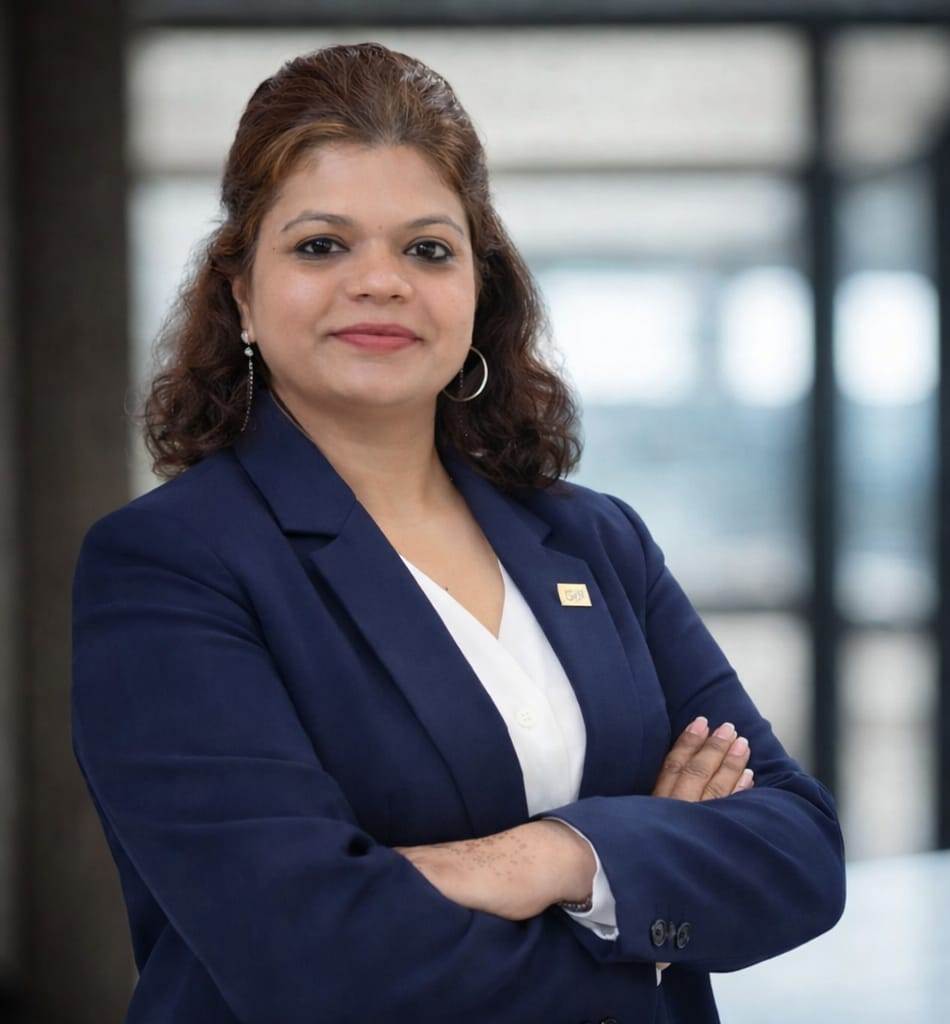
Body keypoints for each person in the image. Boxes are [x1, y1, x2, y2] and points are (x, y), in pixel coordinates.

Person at [70, 41, 846, 1024]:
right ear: (241, 297)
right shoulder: (170, 564)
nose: (380, 282)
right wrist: (641, 898)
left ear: (479, 289)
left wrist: (547, 857)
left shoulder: (596, 540)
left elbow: (799, 850)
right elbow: (308, 952)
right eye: (321, 245)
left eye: (427, 249)